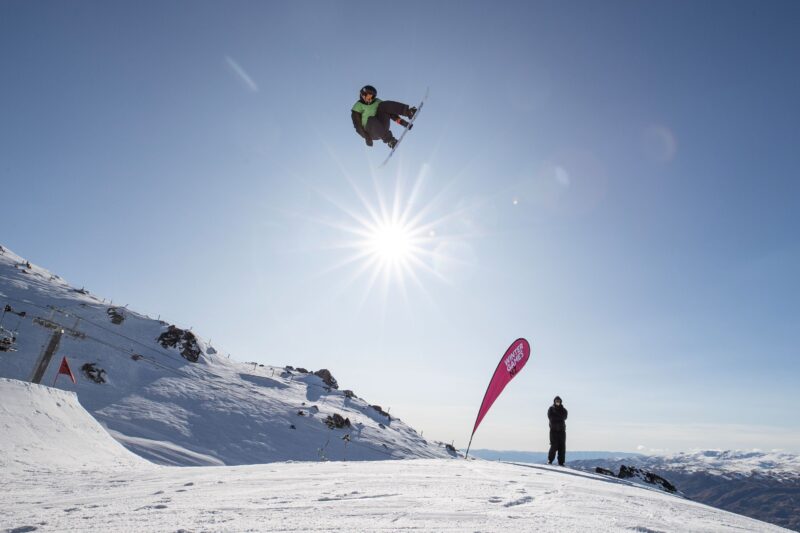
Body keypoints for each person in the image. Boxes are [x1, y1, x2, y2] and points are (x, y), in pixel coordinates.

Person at [351, 85, 416, 149]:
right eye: (368, 97)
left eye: (372, 97)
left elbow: (390, 113)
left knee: (383, 105)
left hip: (382, 125)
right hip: (370, 132)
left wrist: (403, 123)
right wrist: (366, 137)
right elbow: (357, 126)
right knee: (371, 119)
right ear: (363, 95)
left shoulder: (377, 101)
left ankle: (408, 112)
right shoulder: (357, 106)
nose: (370, 99)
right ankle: (390, 141)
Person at [547, 395, 568, 465]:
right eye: (556, 401)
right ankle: (550, 460)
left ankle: (561, 462)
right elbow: (551, 418)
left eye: (559, 401)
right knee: (553, 446)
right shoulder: (551, 409)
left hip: (562, 431)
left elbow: (565, 417)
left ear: (560, 402)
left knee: (562, 447)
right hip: (553, 431)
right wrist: (559, 417)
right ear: (554, 401)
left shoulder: (563, 409)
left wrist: (557, 416)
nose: (557, 402)